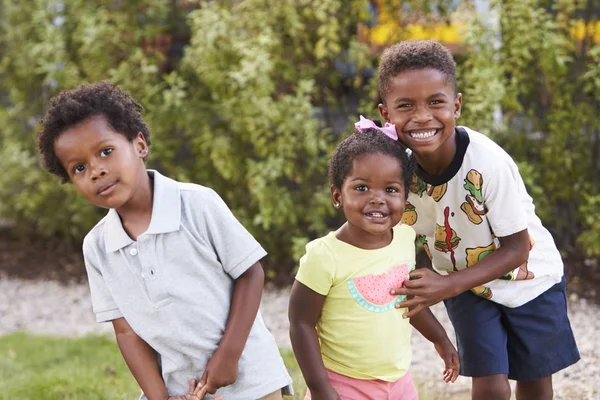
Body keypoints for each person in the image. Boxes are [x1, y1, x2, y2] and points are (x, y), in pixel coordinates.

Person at [37, 81, 293, 400]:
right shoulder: (97, 247)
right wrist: (160, 396)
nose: (96, 171)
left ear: (140, 145)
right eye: (79, 168)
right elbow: (127, 332)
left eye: (105, 151)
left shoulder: (198, 204)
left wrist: (228, 357)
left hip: (248, 376)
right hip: (177, 387)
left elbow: (250, 273)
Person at [377, 40, 580, 400]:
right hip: (467, 286)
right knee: (489, 383)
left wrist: (446, 285)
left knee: (533, 380)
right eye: (406, 105)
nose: (422, 116)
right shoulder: (397, 171)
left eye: (435, 102)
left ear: (456, 105)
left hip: (529, 280)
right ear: (386, 114)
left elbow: (518, 249)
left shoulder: (487, 164)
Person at [289, 121, 459, 400]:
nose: (377, 199)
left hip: (399, 382)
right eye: (362, 188)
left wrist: (440, 338)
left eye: (390, 190)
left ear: (406, 196)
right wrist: (321, 389)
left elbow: (408, 300)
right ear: (337, 195)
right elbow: (300, 323)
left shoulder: (404, 237)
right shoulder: (324, 255)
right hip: (343, 384)